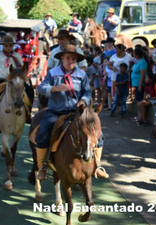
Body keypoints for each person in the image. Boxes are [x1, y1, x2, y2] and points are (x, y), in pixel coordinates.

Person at [35, 45, 108, 180]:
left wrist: (84, 100)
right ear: (62, 59)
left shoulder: (81, 74)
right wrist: (54, 88)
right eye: (68, 58)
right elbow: (41, 88)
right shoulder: (53, 73)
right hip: (56, 111)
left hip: (77, 112)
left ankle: (97, 165)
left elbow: (87, 91)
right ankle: (42, 166)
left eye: (74, 59)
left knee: (98, 135)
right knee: (43, 132)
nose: (71, 61)